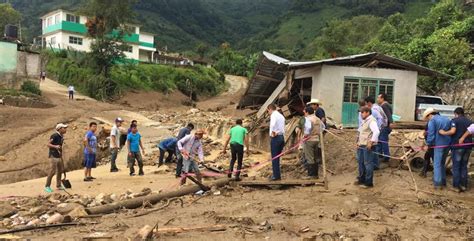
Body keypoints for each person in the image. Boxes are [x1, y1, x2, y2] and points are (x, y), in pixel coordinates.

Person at [439, 107, 472, 192]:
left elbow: (453, 131)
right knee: (464, 166)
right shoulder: (470, 121)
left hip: (458, 146)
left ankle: (456, 186)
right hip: (468, 147)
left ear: (456, 113)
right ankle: (464, 185)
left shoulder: (454, 120)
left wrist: (443, 133)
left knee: (456, 166)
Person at [423, 108, 451, 189]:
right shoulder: (446, 119)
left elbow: (431, 135)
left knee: (437, 164)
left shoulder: (432, 121)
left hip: (438, 145)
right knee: (442, 163)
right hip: (447, 144)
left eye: (427, 117)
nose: (427, 119)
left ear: (430, 115)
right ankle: (443, 181)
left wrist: (428, 144)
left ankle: (438, 184)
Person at [356, 107, 380, 188]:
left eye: (362, 112)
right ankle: (361, 179)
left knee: (368, 163)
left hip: (367, 145)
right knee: (361, 162)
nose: (361, 114)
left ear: (367, 112)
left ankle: (368, 182)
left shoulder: (371, 121)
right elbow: (361, 132)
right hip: (361, 145)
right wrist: (358, 142)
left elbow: (376, 132)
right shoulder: (365, 121)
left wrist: (371, 142)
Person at [365, 96, 387, 170]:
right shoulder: (377, 107)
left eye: (366, 104)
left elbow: (379, 119)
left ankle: (375, 164)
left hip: (377, 130)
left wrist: (377, 128)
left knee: (375, 146)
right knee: (376, 146)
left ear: (369, 103)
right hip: (379, 129)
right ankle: (376, 163)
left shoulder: (374, 109)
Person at [45, 123, 68, 193]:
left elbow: (60, 146)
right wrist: (55, 147)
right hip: (53, 155)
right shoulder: (54, 135)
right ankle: (47, 186)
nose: (65, 129)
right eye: (64, 128)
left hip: (58, 155)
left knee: (60, 171)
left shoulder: (61, 137)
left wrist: (60, 153)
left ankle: (58, 185)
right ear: (60, 129)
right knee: (52, 171)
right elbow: (48, 144)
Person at [302, 107, 323, 179]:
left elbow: (307, 130)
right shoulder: (317, 119)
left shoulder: (308, 119)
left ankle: (311, 175)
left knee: (310, 157)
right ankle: (315, 174)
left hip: (309, 140)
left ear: (307, 112)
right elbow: (323, 127)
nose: (304, 114)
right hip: (316, 139)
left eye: (304, 112)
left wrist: (304, 136)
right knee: (315, 157)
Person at [268, 104, 285, 181]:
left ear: (270, 109)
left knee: (274, 157)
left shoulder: (273, 115)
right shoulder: (281, 116)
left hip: (276, 137)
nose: (268, 112)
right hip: (281, 137)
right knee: (277, 157)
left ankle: (276, 176)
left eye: (268, 111)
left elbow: (273, 124)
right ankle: (277, 175)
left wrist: (273, 132)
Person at [377, 93, 393, 163]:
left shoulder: (384, 105)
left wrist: (391, 123)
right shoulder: (387, 104)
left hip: (385, 126)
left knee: (383, 141)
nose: (377, 99)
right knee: (380, 140)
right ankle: (379, 154)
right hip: (385, 126)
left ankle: (386, 156)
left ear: (382, 98)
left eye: (378, 98)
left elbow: (388, 114)